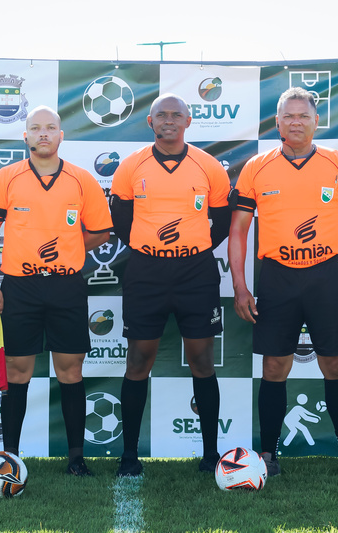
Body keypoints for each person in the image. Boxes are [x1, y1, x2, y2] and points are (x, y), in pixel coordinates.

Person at [228, 87, 338, 477]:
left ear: (316, 121)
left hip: (326, 276)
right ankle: (268, 455)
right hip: (277, 277)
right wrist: (240, 286)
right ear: (277, 122)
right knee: (275, 366)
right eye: (289, 116)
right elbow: (238, 230)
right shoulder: (256, 168)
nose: (296, 122)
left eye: (303, 116)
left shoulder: (337, 164)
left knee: (335, 364)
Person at [0, 105, 113, 476]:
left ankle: (76, 459)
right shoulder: (7, 178)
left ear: (60, 135)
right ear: (25, 136)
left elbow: (101, 231)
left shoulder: (82, 180)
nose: (43, 133)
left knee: (70, 370)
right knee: (17, 370)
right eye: (35, 128)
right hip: (20, 286)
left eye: (50, 127)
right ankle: (9, 458)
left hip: (66, 285)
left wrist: (69, 248)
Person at [109, 93, 232, 476]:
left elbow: (222, 222)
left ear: (188, 121)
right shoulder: (130, 166)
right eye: (161, 115)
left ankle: (210, 455)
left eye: (176, 115)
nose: (168, 120)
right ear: (150, 122)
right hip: (146, 272)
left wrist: (192, 248)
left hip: (196, 272)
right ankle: (129, 456)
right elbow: (121, 221)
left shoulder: (209, 166)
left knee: (202, 360)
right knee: (138, 360)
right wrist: (150, 248)